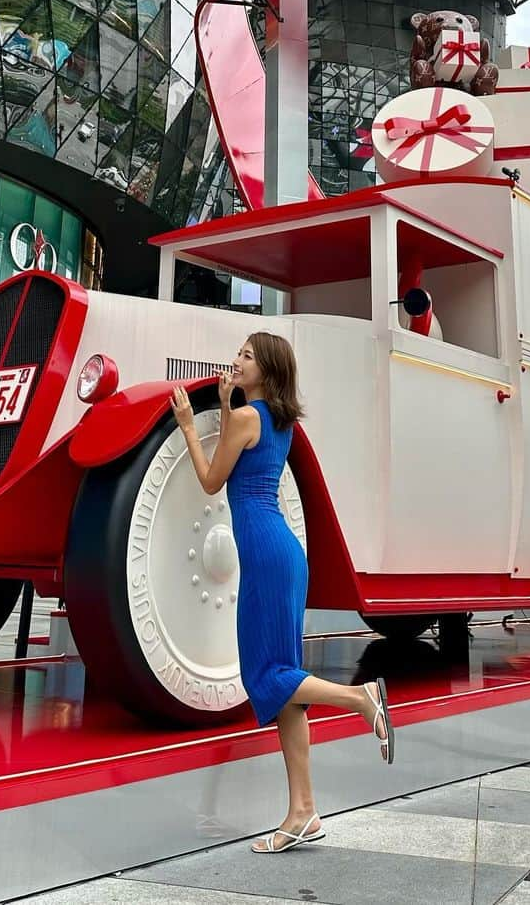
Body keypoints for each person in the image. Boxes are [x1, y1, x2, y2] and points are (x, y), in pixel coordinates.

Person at [170, 332, 394, 856]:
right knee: (284, 691)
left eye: (246, 356)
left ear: (267, 369)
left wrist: (187, 425)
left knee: (266, 676)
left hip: (268, 557)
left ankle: (362, 698)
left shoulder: (248, 419)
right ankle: (304, 812)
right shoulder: (275, 421)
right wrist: (226, 404)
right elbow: (243, 461)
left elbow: (211, 480)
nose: (236, 359)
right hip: (283, 552)